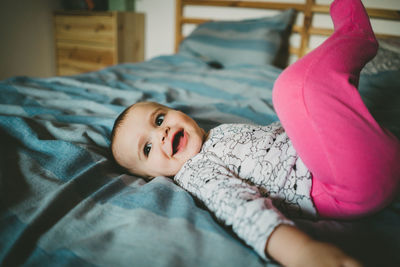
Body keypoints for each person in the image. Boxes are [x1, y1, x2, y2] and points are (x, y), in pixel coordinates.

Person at [110, 0, 400, 266]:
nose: (161, 134)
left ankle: (343, 63)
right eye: (146, 149)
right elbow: (241, 210)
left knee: (316, 99)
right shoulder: (195, 173)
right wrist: (302, 252)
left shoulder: (216, 134)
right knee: (293, 90)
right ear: (150, 177)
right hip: (341, 182)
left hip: (353, 156)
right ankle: (354, 35)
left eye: (159, 119)